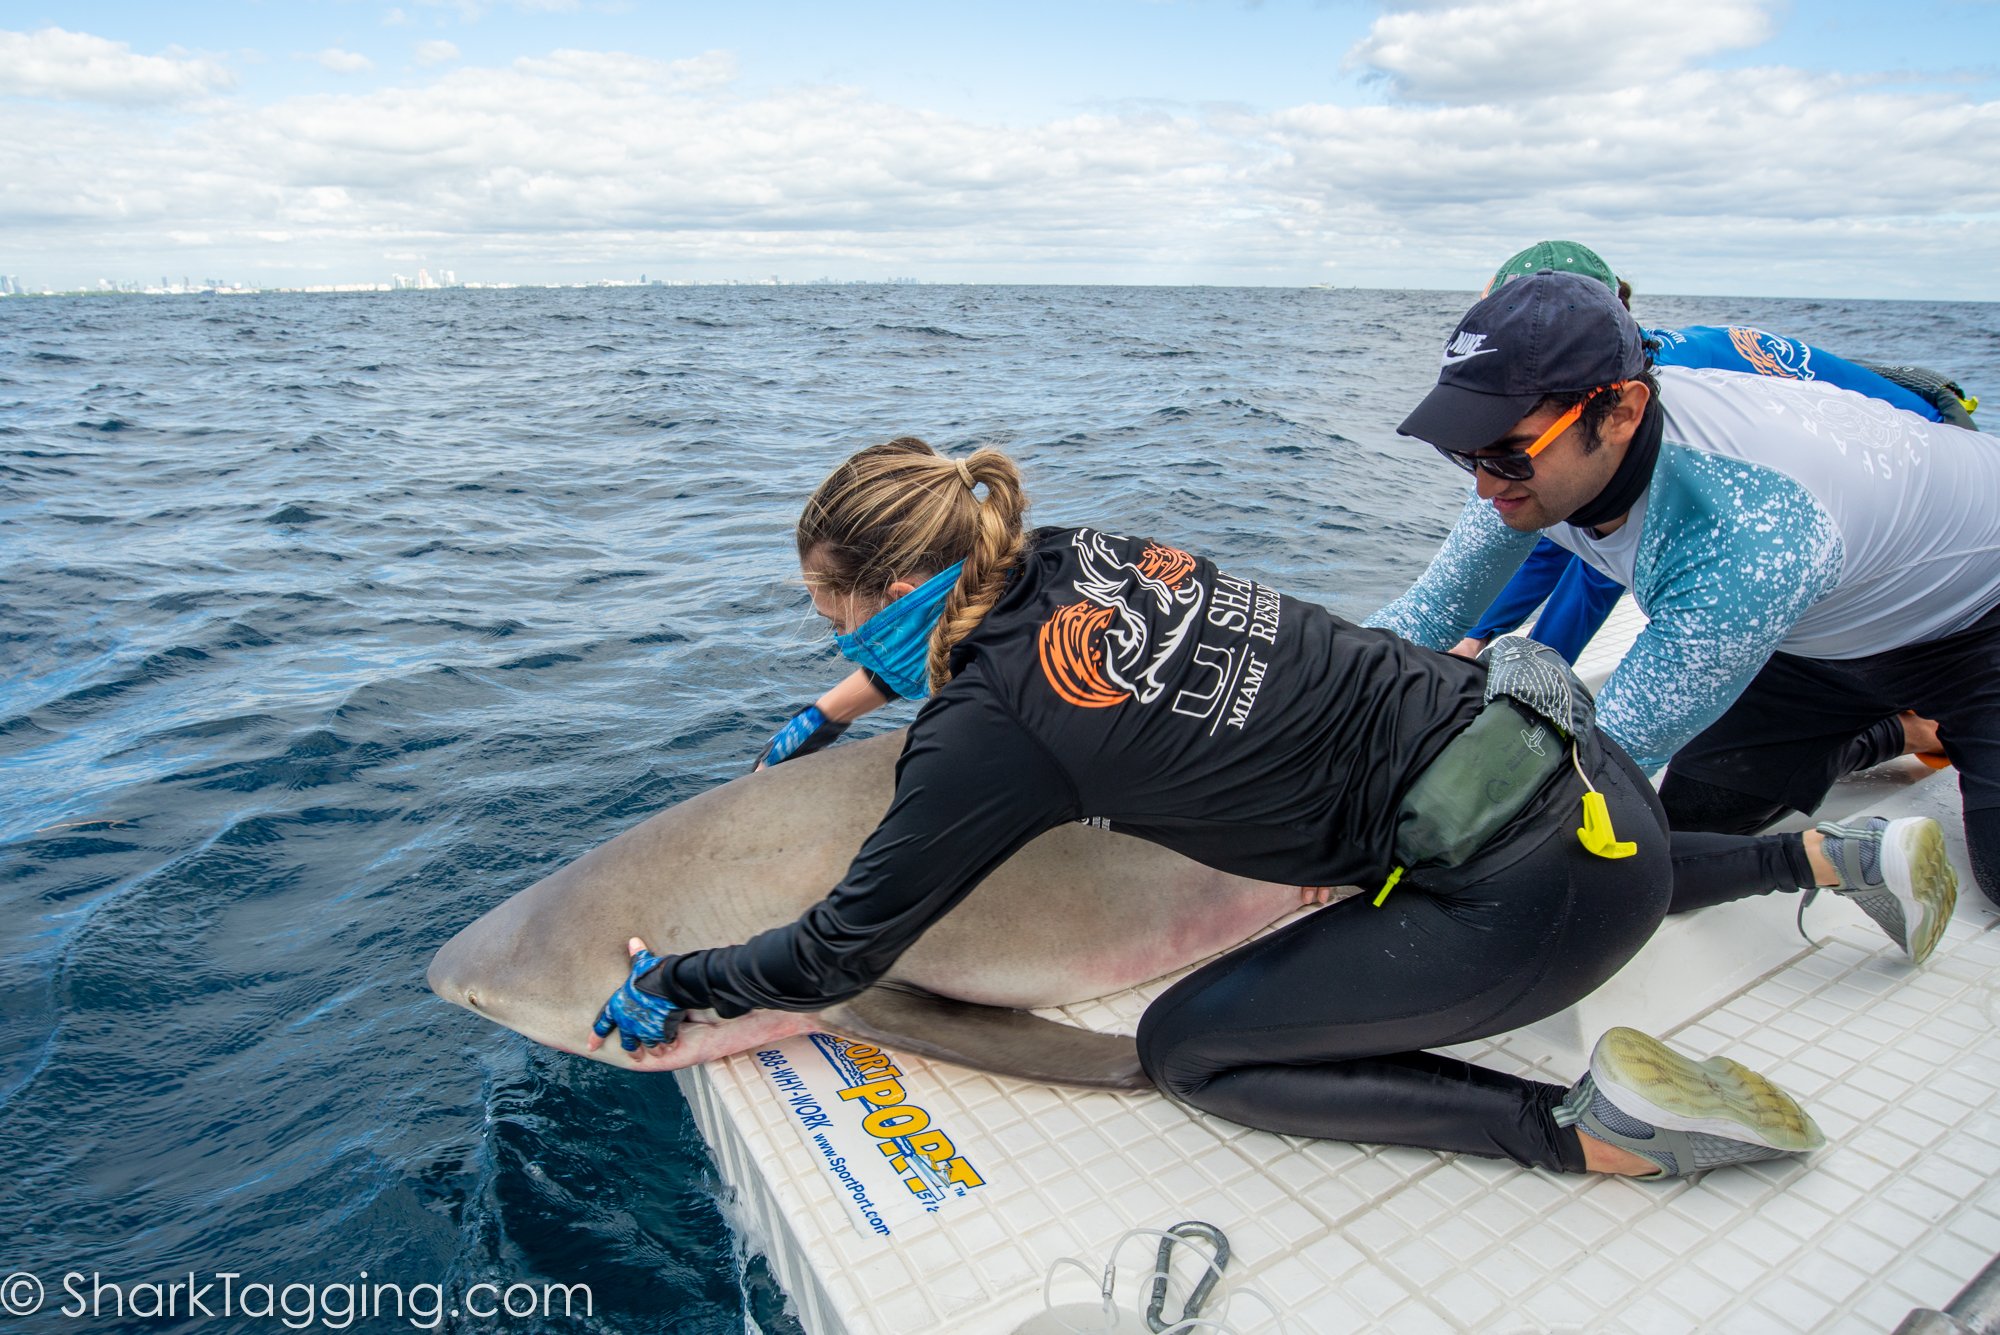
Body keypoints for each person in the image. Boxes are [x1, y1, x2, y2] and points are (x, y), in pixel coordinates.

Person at [587, 437, 1939, 1178]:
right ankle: (1821, 853)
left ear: (881, 601)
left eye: (830, 609)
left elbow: (838, 952)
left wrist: (689, 978)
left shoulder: (988, 733)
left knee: (1187, 1049)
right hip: (1580, 777)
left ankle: (1585, 1133)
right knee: (1473, 840)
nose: (831, 635)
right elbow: (1014, 670)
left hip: (1536, 899)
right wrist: (837, 709)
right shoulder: (1093, 549)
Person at [1370, 270, 1997, 918]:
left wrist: (1357, 851)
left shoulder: (1750, 532)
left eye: (1506, 454)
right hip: (1816, 632)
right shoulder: (1527, 463)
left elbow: (1589, 771)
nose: (1482, 485)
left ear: (1622, 414)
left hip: (1976, 624)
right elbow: (1429, 612)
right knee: (1677, 819)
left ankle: (1938, 717)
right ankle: (1903, 729)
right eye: (1464, 452)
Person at [1451, 240, 1980, 668]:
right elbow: (1556, 530)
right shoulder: (1605, 381)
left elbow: (1604, 562)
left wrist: (1543, 666)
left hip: (1932, 473)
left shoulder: (1680, 380)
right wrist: (1475, 637)